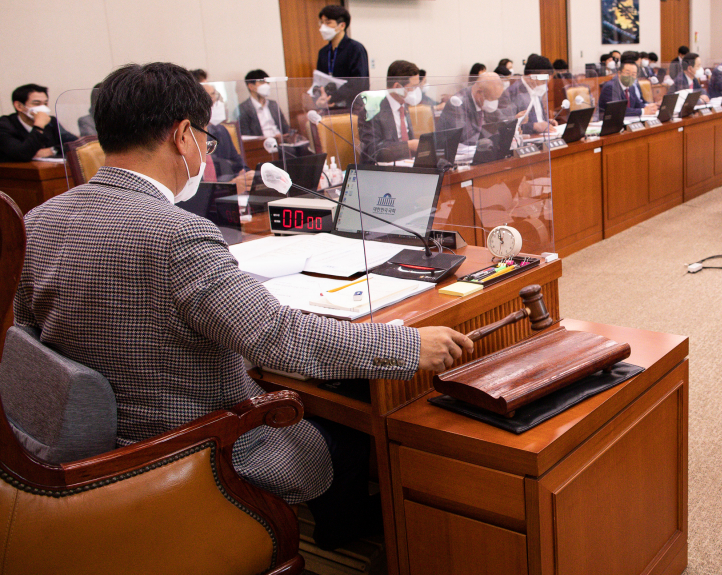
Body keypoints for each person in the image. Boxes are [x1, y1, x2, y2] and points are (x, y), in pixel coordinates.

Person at [14, 62, 472, 551]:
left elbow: (28, 337)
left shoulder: (41, 218)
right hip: (188, 448)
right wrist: (406, 345)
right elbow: (277, 337)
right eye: (206, 142)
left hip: (87, 448)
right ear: (183, 135)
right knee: (350, 430)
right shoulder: (176, 234)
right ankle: (346, 537)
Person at [358, 60, 423, 163]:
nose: (416, 91)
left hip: (407, 165)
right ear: (397, 87)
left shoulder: (403, 106)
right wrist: (408, 145)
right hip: (383, 170)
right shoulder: (372, 110)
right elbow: (373, 150)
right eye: (413, 87)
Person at [0, 84, 77, 162]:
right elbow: (22, 154)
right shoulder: (4, 125)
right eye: (36, 104)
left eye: (45, 103)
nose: (43, 108)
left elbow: (76, 143)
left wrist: (54, 150)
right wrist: (39, 126)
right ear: (19, 106)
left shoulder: (51, 121)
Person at [316, 5, 369, 110]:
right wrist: (319, 97)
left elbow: (358, 83)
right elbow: (319, 80)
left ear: (342, 25)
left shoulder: (355, 48)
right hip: (329, 107)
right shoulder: (323, 52)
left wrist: (332, 98)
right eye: (321, 23)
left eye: (328, 23)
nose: (323, 27)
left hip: (352, 106)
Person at [201, 83, 253, 191]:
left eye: (215, 95)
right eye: (210, 97)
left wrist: (248, 174)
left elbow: (238, 162)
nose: (215, 101)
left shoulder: (221, 130)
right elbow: (201, 184)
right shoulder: (188, 137)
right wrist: (229, 186)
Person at [438, 72, 506, 146]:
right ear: (479, 92)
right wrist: (493, 139)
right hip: (453, 152)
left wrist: (510, 128)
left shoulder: (486, 97)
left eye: (497, 99)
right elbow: (466, 137)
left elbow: (501, 121)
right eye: (492, 99)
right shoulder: (457, 104)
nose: (494, 102)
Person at [502, 54, 556, 134]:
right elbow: (507, 124)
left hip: (542, 136)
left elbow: (537, 119)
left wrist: (546, 122)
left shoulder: (536, 90)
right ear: (531, 77)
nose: (544, 85)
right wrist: (534, 126)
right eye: (542, 81)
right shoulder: (512, 92)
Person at [237, 70, 288, 138]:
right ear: (251, 86)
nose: (266, 86)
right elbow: (246, 136)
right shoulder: (243, 109)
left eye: (267, 82)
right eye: (262, 82)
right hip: (261, 144)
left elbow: (286, 128)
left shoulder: (273, 104)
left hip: (282, 142)